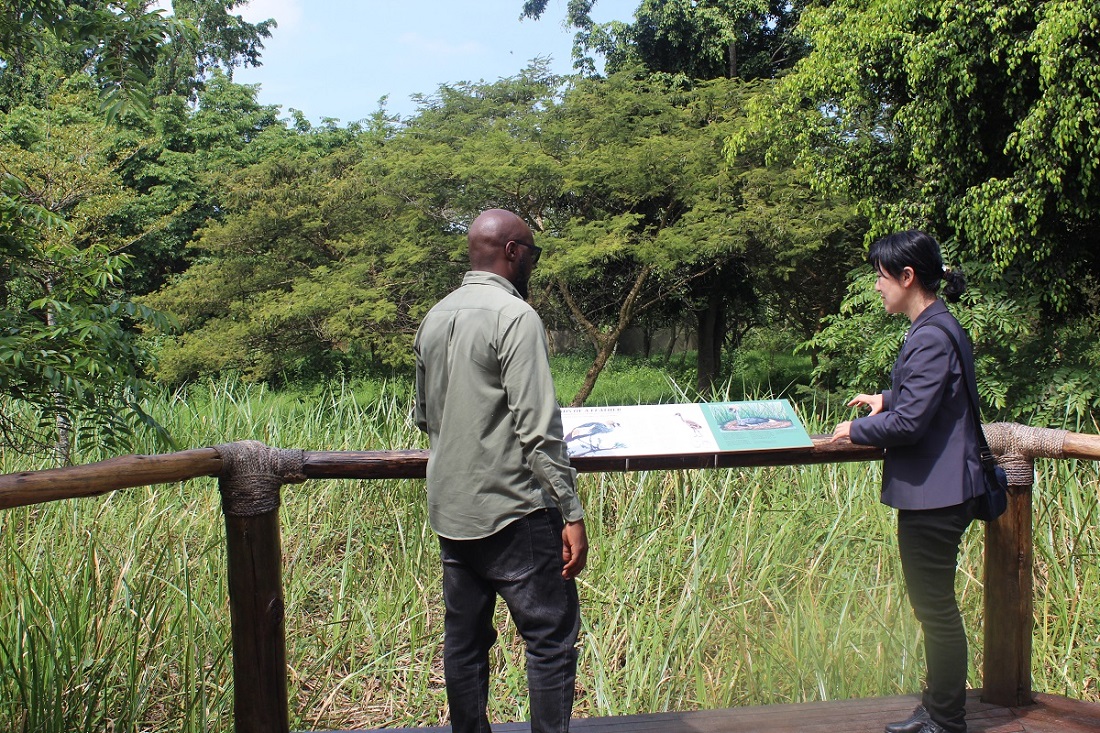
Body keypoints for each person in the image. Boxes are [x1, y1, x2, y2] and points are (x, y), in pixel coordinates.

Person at [414, 208, 588, 733]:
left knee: (464, 643)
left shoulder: (435, 316)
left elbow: (425, 417)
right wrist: (571, 512)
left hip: (451, 510)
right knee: (550, 639)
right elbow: (538, 429)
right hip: (515, 510)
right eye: (532, 252)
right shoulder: (515, 318)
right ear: (512, 251)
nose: (532, 262)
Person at [831, 230, 984, 733]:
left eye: (880, 276)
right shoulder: (937, 326)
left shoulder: (932, 334)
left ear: (907, 276)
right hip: (938, 490)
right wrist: (886, 399)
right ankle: (939, 708)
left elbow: (912, 424)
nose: (877, 286)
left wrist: (856, 429)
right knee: (933, 607)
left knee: (935, 610)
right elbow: (925, 399)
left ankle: (946, 719)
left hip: (937, 496)